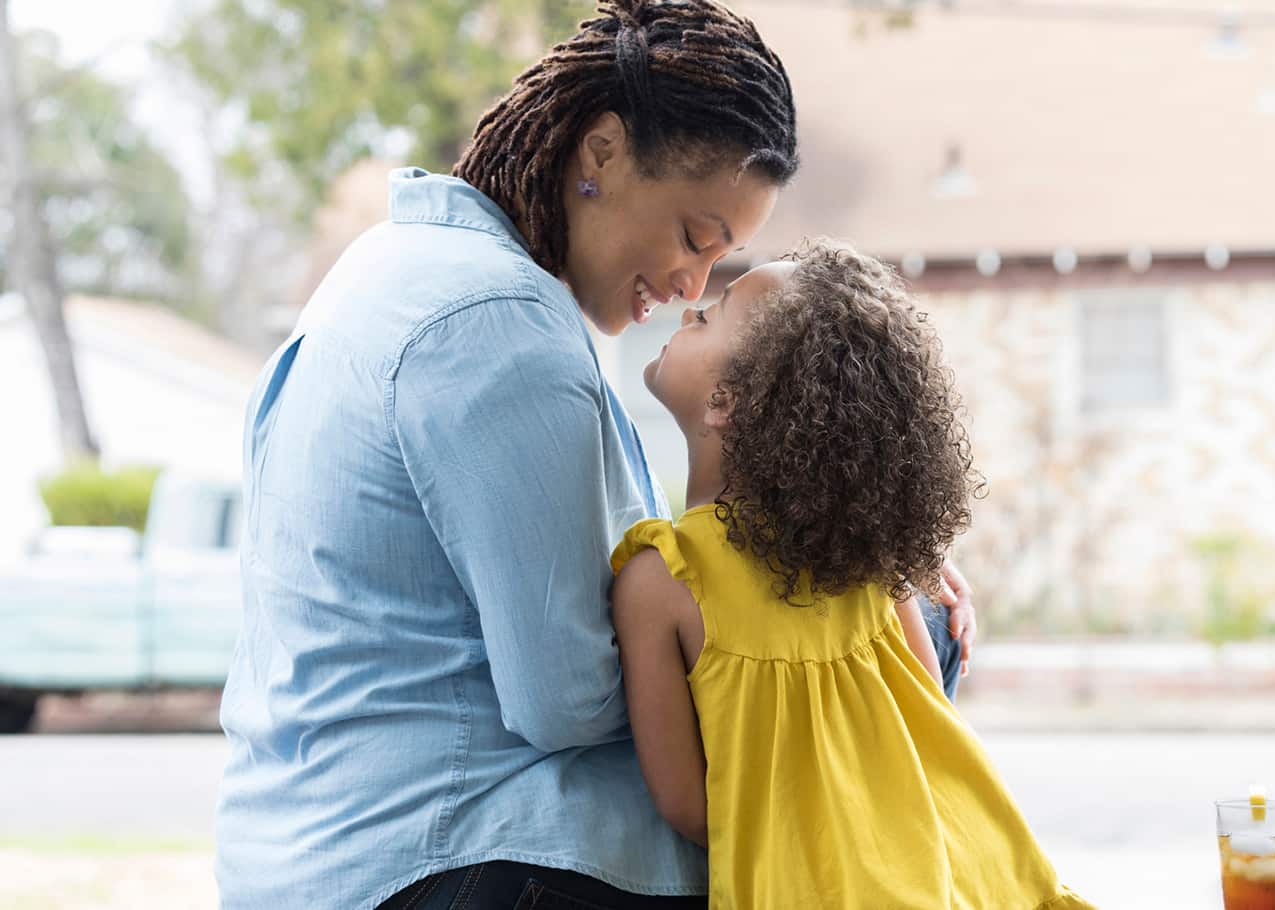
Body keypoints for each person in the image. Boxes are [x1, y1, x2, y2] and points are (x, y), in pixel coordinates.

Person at [216, 2, 810, 907]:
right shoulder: (496, 325)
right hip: (448, 855)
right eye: (696, 238)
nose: (695, 286)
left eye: (724, 259)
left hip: (328, 853)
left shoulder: (395, 266)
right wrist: (851, 630)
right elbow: (565, 699)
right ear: (601, 151)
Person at [610, 241, 1094, 909]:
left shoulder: (660, 578)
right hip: (952, 867)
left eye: (711, 315)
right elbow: (927, 703)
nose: (689, 310)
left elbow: (690, 806)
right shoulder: (863, 559)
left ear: (726, 401)